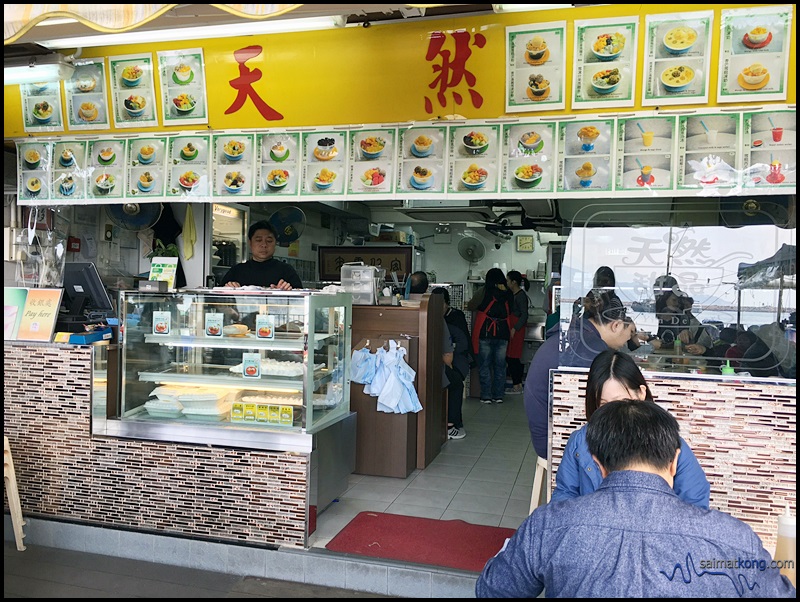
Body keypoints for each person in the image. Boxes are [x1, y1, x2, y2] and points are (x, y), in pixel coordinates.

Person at [476, 399, 796, 598]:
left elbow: (492, 591)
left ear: (599, 465)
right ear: (674, 461)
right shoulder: (734, 540)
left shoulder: (548, 527)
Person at [552, 349, 711, 508]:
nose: (614, 414)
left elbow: (694, 504)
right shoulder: (579, 442)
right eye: (604, 405)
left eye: (622, 402)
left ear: (641, 394)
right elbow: (564, 498)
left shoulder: (669, 443)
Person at [525, 289, 635, 459]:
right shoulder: (589, 348)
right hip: (554, 441)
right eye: (630, 333)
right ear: (616, 325)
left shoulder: (579, 336)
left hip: (547, 432)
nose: (627, 341)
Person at [431, 287, 471, 440]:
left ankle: (452, 423)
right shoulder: (432, 316)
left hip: (456, 360)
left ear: (447, 304)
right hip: (440, 361)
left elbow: (460, 346)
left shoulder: (456, 317)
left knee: (454, 382)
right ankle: (449, 423)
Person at [409, 272, 454, 407]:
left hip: (404, 377)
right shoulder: (433, 313)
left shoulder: (396, 308)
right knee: (454, 383)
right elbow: (448, 357)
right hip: (430, 376)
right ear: (427, 288)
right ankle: (452, 423)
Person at [469, 268, 512, 404]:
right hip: (503, 333)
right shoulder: (508, 293)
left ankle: (486, 395)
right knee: (500, 366)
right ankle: (498, 395)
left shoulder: (483, 291)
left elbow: (471, 305)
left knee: (484, 365)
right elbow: (512, 310)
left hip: (485, 332)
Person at [219, 220, 302, 290]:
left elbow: (301, 302)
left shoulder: (286, 271)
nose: (264, 245)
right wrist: (228, 289)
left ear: (275, 243)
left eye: (269, 241)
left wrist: (287, 292)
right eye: (258, 240)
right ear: (250, 243)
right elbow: (217, 301)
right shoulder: (237, 271)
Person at [505, 270, 529, 395]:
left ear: (513, 282)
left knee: (513, 357)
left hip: (516, 329)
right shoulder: (511, 294)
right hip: (512, 327)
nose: (507, 282)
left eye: (508, 280)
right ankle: (517, 384)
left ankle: (517, 385)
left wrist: (515, 328)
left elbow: (524, 315)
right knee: (510, 356)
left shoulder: (521, 296)